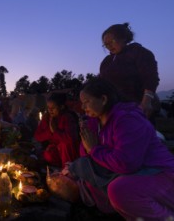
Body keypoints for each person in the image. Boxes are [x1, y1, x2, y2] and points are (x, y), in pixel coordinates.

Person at [70, 77, 174, 220]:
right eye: (82, 103)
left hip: (159, 172)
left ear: (103, 99)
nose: (83, 107)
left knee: (119, 190)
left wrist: (94, 149)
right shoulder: (96, 121)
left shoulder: (127, 119)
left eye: (87, 102)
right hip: (131, 172)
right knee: (81, 169)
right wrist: (88, 146)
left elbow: (127, 163)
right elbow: (86, 153)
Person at [99, 22, 160, 120]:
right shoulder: (107, 62)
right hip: (113, 110)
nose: (109, 46)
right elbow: (101, 83)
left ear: (123, 38)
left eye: (112, 41)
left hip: (137, 107)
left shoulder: (139, 52)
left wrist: (146, 102)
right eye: (106, 44)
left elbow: (150, 78)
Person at [34, 93, 80, 169]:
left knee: (64, 146)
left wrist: (55, 131)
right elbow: (37, 136)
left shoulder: (68, 117)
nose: (50, 110)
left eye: (53, 108)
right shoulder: (47, 117)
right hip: (54, 150)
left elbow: (71, 139)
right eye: (48, 108)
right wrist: (50, 133)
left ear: (61, 107)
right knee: (49, 153)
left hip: (68, 151)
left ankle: (68, 171)